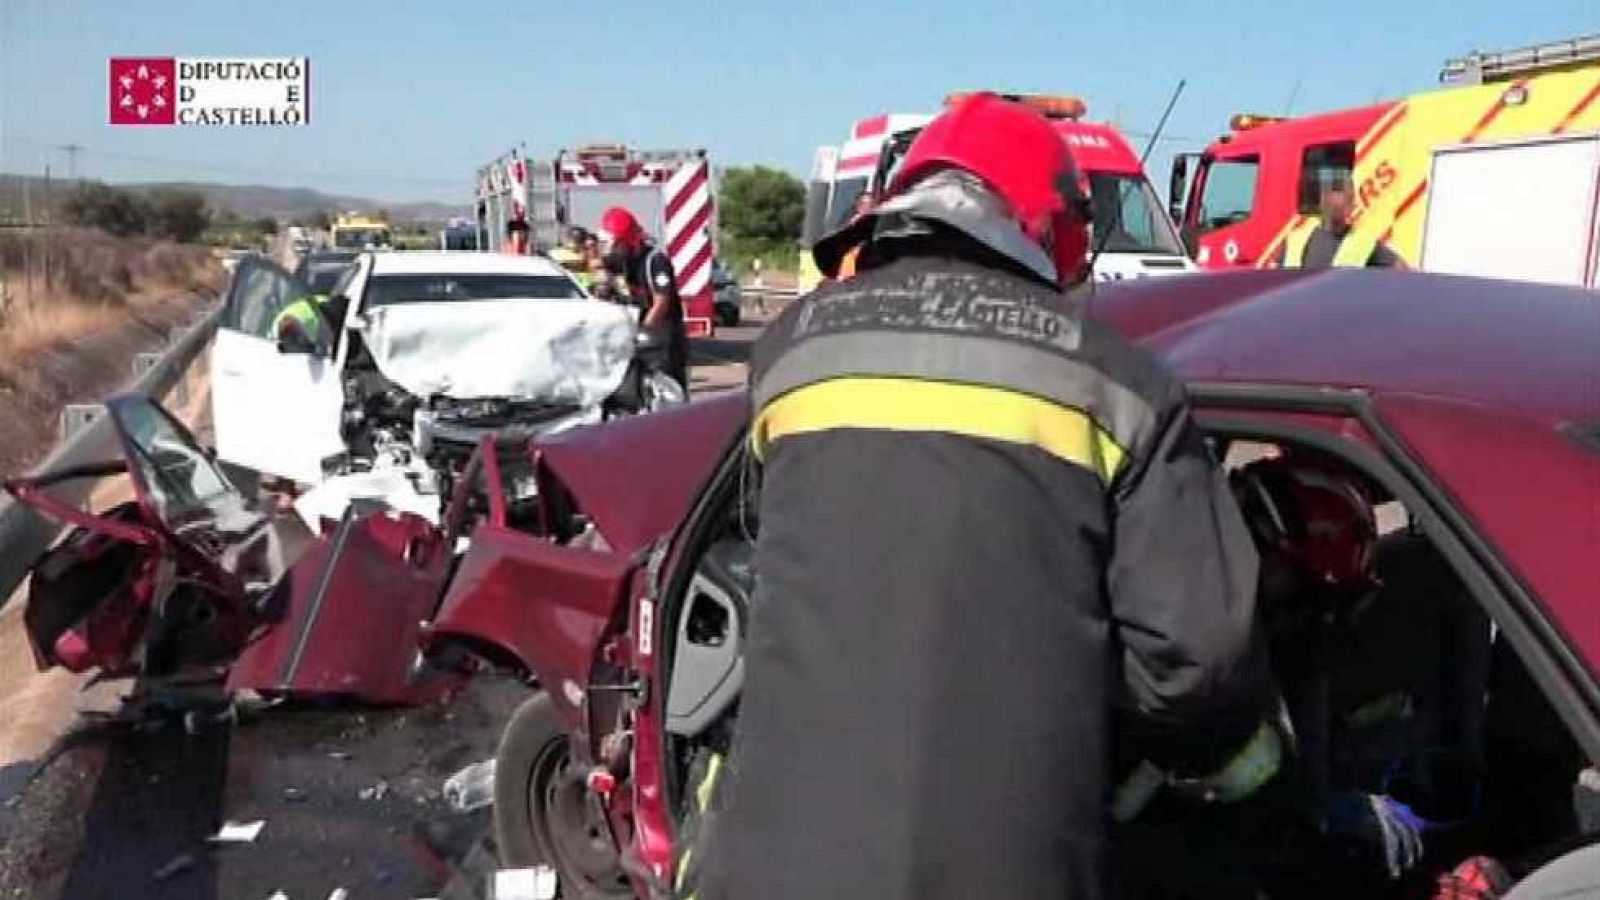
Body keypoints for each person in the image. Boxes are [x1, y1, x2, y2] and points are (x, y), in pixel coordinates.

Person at [679, 93, 1280, 900]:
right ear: (1055, 231)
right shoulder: (1121, 387)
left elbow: (775, 544)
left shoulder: (793, 350)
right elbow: (1194, 659)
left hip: (769, 868)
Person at [597, 206, 688, 391]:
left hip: (661, 334)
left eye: (612, 244)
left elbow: (661, 301)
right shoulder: (623, 262)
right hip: (635, 331)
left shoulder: (654, 260)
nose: (609, 249)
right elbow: (604, 285)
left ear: (624, 241)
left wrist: (643, 332)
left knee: (665, 385)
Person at [1278, 175, 1409, 269]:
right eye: (1335, 195)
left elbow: (1403, 272)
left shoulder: (1364, 243)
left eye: (1349, 198)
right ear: (1322, 199)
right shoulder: (1295, 241)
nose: (1342, 204)